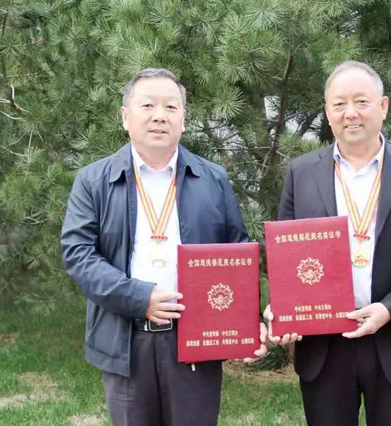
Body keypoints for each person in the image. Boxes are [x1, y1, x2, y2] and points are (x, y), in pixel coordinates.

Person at [61, 68, 267, 426]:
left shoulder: (213, 178)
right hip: (125, 338)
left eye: (171, 107)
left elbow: (236, 253)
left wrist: (247, 322)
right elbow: (78, 254)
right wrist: (139, 298)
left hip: (197, 339)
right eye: (148, 105)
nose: (160, 115)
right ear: (125, 116)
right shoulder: (93, 180)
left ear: (183, 120)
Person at [265, 61, 391, 426]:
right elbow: (285, 254)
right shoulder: (301, 174)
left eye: (361, 102)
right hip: (325, 344)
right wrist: (285, 305)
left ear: (383, 107)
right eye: (339, 104)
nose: (350, 113)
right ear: (328, 112)